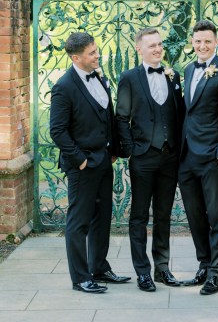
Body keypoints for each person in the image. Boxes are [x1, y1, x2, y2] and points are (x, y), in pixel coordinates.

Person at [50, 32, 131, 293]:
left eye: (96, 50)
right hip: (83, 165)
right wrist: (80, 160)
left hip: (104, 159)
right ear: (76, 57)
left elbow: (106, 115)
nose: (98, 55)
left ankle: (100, 268)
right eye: (92, 53)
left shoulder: (99, 76)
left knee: (102, 218)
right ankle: (80, 277)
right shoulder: (64, 86)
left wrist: (115, 150)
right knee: (79, 222)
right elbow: (58, 130)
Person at [115, 27, 184, 292]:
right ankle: (142, 272)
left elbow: (177, 114)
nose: (157, 49)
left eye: (159, 44)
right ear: (139, 49)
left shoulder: (173, 75)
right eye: (151, 45)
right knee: (139, 216)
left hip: (169, 157)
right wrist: (132, 148)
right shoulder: (129, 78)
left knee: (164, 214)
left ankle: (162, 268)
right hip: (142, 157)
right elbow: (121, 116)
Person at [179, 19, 218, 295]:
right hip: (187, 156)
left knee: (215, 215)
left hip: (212, 157)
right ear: (192, 42)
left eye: (207, 41)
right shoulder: (189, 70)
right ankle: (203, 264)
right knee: (194, 214)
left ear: (216, 42)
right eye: (198, 41)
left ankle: (216, 273)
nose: (202, 46)